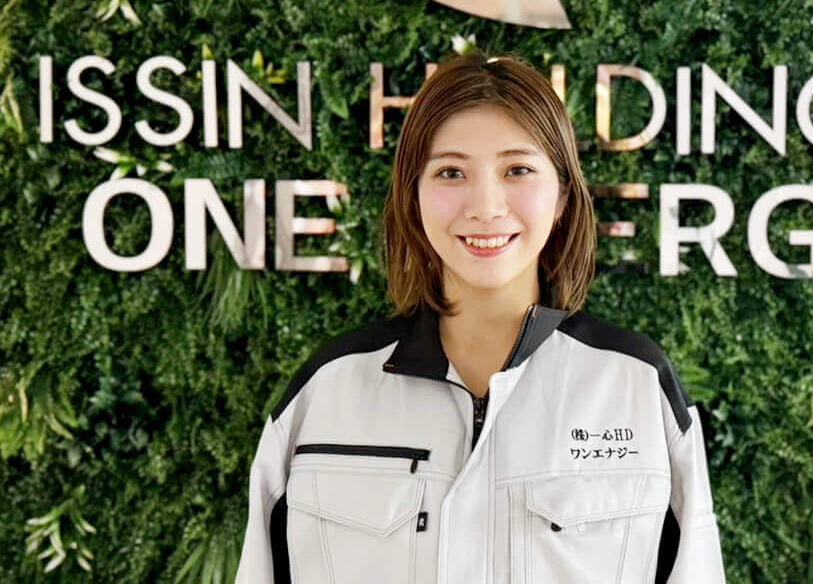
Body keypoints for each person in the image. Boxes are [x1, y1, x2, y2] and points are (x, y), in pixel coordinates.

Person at [235, 51, 725, 583]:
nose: (486, 206)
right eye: (451, 172)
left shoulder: (635, 385)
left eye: (518, 170)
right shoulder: (328, 389)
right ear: (413, 194)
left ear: (562, 194)